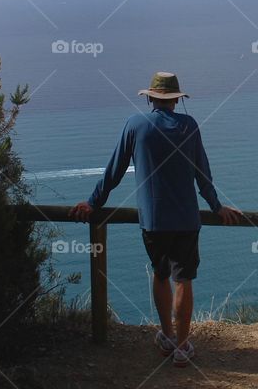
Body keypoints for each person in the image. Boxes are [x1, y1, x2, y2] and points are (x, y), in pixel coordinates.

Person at [70, 71, 243, 367]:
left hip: (153, 220)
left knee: (160, 275)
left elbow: (113, 172)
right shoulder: (189, 126)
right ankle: (183, 346)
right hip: (187, 219)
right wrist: (216, 206)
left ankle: (167, 336)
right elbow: (202, 174)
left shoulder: (135, 125)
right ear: (176, 99)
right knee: (183, 280)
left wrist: (92, 202)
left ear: (150, 97)